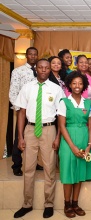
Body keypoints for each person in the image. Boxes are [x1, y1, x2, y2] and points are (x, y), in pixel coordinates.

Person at [13, 59, 65, 218]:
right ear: (36, 68)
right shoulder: (27, 88)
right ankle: (27, 204)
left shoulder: (56, 89)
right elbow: (21, 113)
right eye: (40, 67)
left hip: (49, 129)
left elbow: (61, 114)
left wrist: (58, 137)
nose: (43, 70)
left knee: (49, 169)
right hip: (30, 129)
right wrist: (20, 136)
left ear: (50, 70)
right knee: (28, 168)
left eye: (46, 68)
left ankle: (48, 204)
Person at [57, 71, 91, 218]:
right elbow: (62, 126)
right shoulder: (64, 102)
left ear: (84, 85)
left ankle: (75, 203)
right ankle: (67, 204)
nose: (77, 86)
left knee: (79, 173)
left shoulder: (88, 103)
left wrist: (89, 145)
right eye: (74, 83)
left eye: (80, 83)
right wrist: (72, 147)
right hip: (68, 141)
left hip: (84, 140)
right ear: (69, 85)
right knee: (68, 172)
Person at [9, 47, 39, 176]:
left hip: (38, 111)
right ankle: (16, 165)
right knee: (19, 138)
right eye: (30, 54)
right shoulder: (18, 71)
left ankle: (35, 162)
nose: (33, 56)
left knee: (37, 137)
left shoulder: (41, 70)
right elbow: (13, 92)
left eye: (35, 54)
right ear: (27, 56)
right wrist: (20, 109)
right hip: (24, 110)